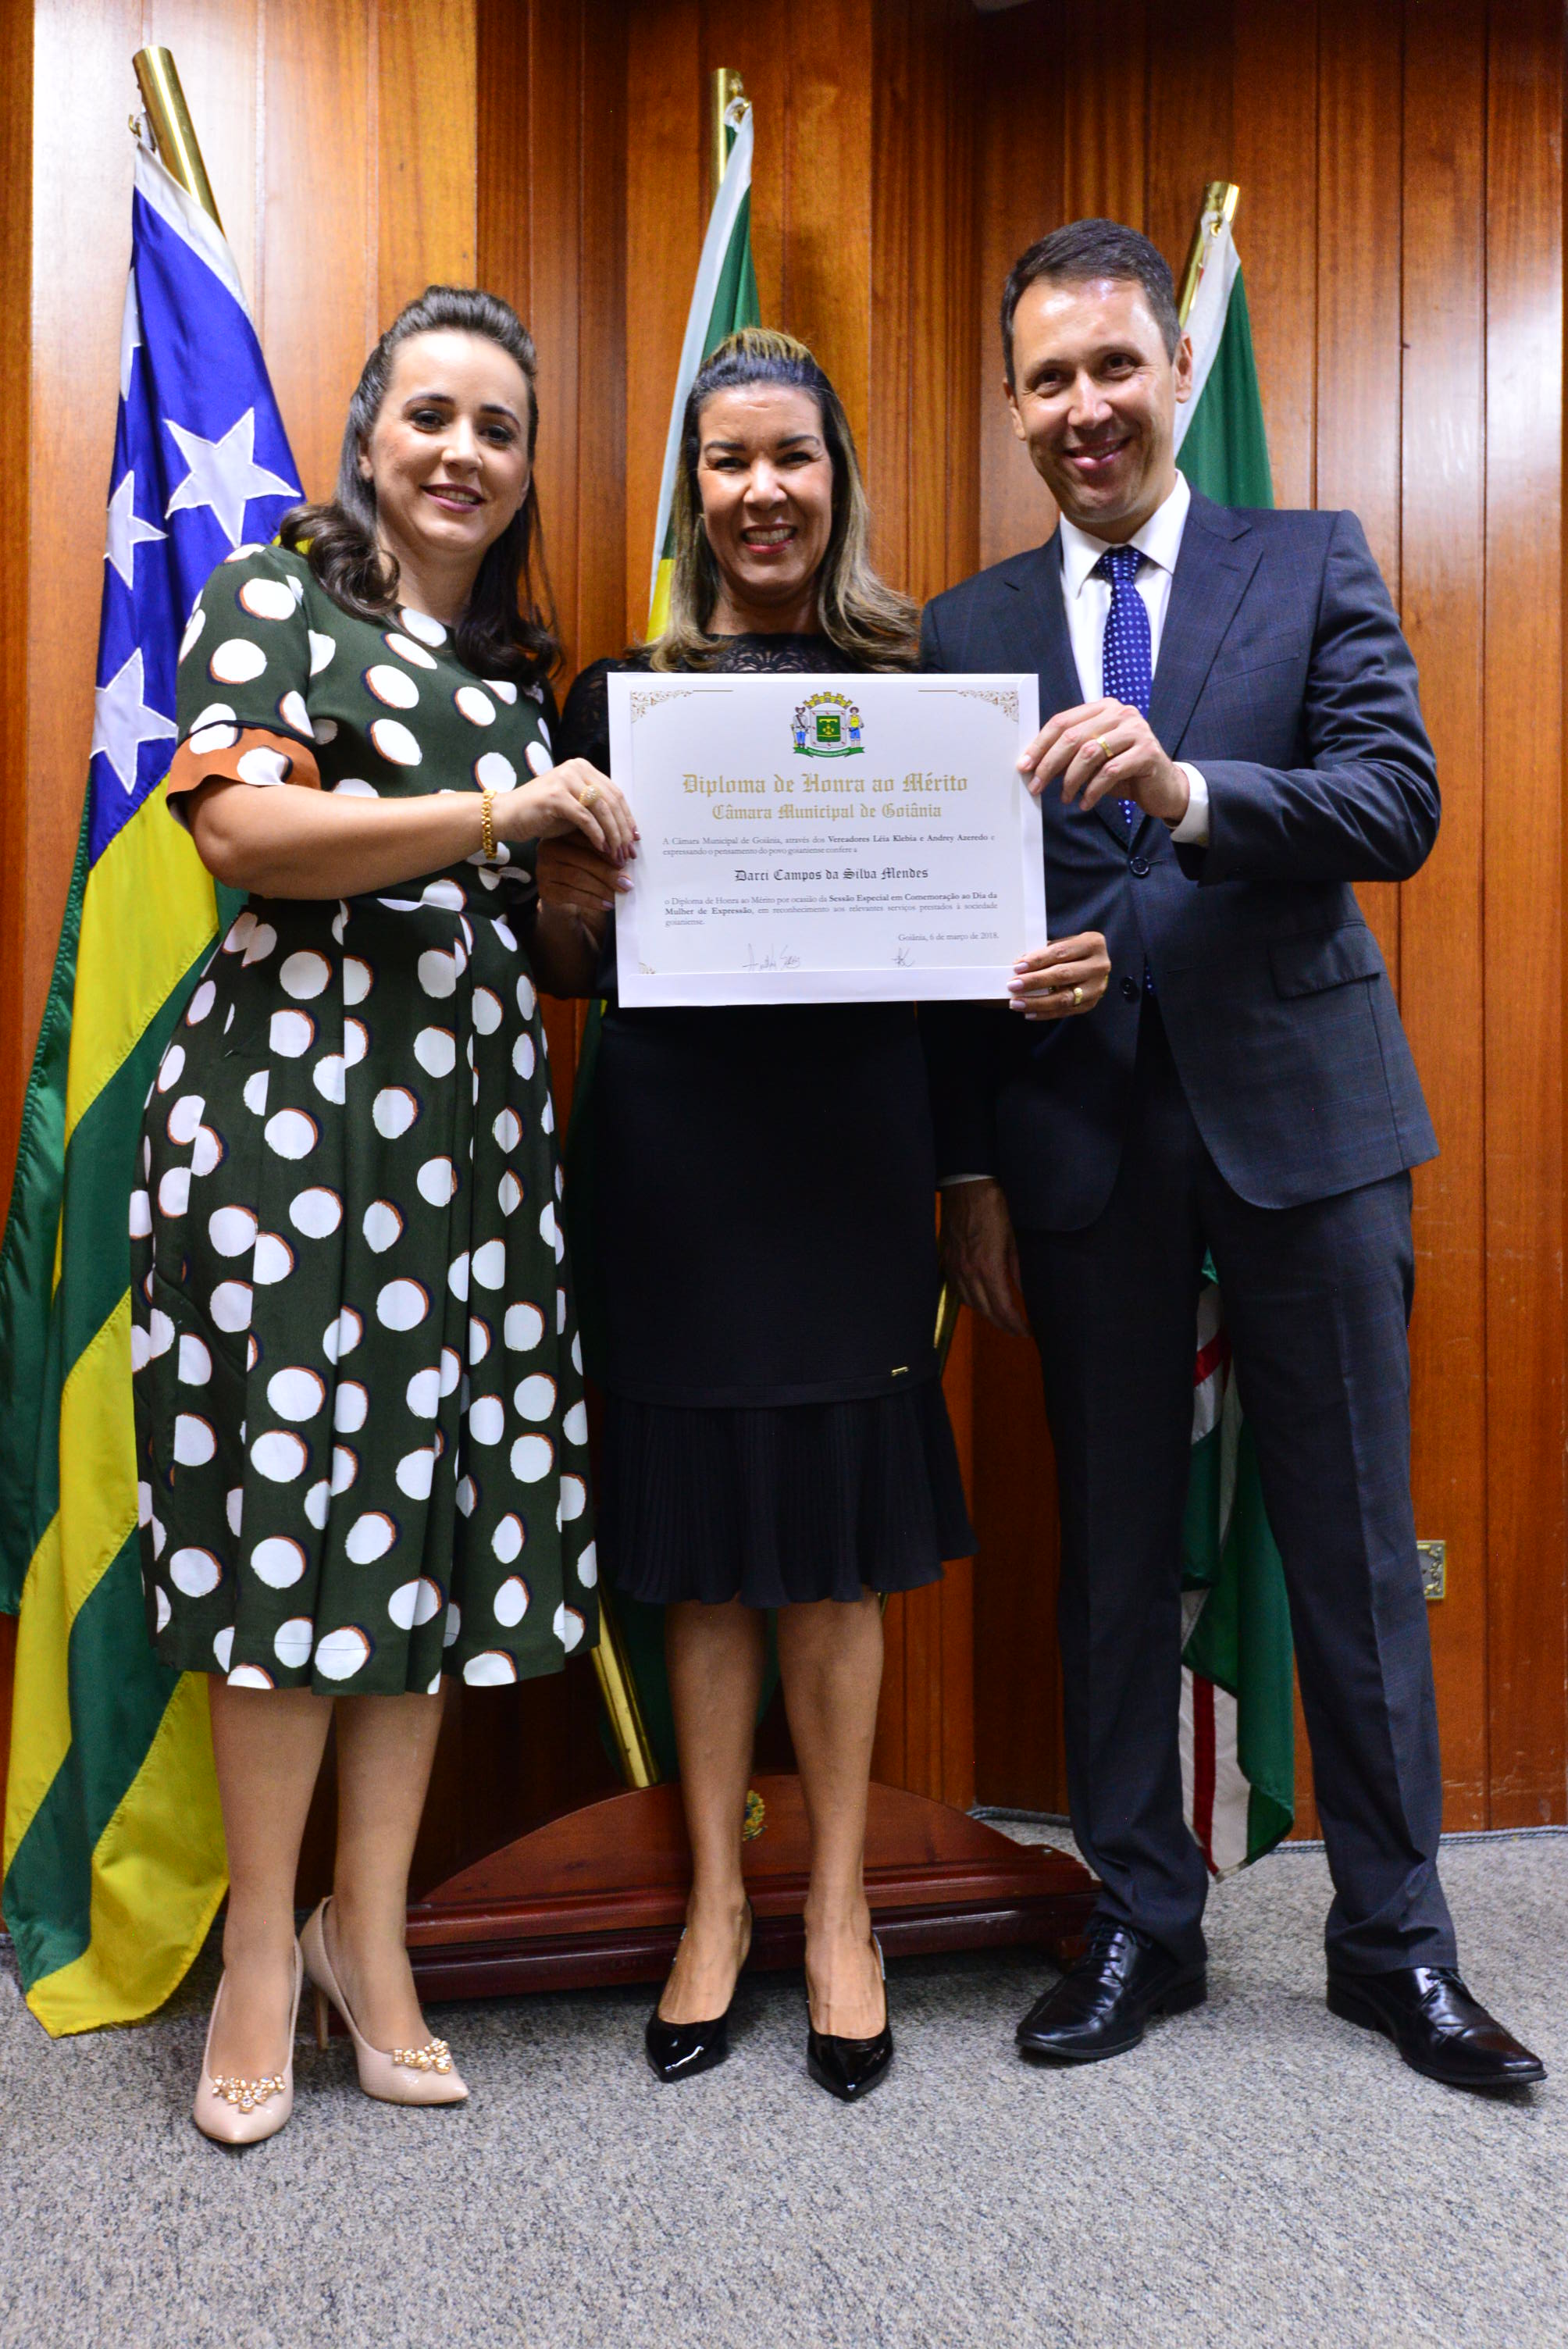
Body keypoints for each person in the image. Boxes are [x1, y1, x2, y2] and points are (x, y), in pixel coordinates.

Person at [923, 219, 1544, 2091]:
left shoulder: (1309, 558)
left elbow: (1393, 801)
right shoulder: (963, 630)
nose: (1084, 407)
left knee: (1349, 1541)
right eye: (1047, 378)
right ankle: (1140, 1918)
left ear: (1176, 373)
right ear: (1012, 403)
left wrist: (1184, 792)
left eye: (1114, 366)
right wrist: (965, 1164)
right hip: (1077, 1139)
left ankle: (1394, 1943)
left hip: (1305, 1121)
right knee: (1108, 1550)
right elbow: (949, 919)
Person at [548, 327, 1111, 2101]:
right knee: (705, 1543)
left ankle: (844, 1906)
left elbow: (961, 985)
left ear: (834, 477)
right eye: (727, 461)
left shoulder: (924, 683)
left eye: (790, 456)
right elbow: (567, 960)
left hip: (854, 1161)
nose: (761, 491)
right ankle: (717, 1903)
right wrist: (576, 896)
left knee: (840, 1545)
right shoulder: (617, 695)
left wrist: (969, 1173)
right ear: (693, 487)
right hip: (672, 1166)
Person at [132, 284, 627, 2143]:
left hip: (471, 1161)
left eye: (497, 427)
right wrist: (502, 820)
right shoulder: (275, 601)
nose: (461, 452)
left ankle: (371, 1930)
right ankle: (262, 1951)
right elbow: (247, 837)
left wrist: (577, 887)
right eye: (430, 414)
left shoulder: (511, 682)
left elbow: (528, 935)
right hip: (287, 1142)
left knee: (420, 1538)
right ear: (364, 438)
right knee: (287, 1538)